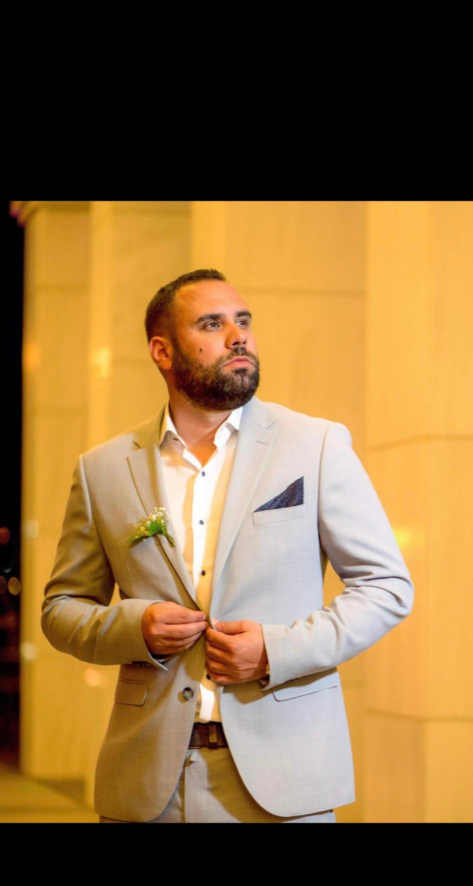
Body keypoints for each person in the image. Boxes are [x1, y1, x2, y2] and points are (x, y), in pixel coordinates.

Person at [41, 268, 414, 823]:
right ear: (162, 351)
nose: (238, 336)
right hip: (146, 781)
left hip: (285, 779)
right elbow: (61, 609)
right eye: (212, 325)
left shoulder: (315, 445)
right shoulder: (103, 470)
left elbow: (386, 587)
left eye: (243, 321)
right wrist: (134, 627)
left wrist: (276, 650)